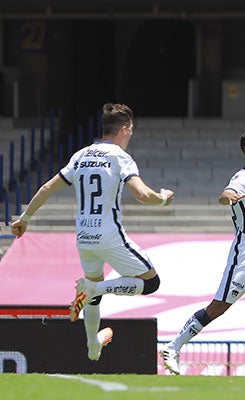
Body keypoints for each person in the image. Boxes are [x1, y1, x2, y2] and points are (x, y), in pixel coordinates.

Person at [10, 103, 174, 361]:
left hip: (84, 238)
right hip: (109, 235)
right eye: (130, 129)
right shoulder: (120, 157)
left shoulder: (81, 155)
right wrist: (163, 198)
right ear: (123, 129)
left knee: (93, 290)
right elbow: (143, 194)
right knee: (151, 283)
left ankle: (92, 346)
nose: (130, 134)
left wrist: (25, 218)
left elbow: (46, 188)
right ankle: (96, 289)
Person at [160, 129, 245, 376]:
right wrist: (228, 197)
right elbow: (225, 194)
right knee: (217, 308)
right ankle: (172, 347)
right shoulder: (242, 178)